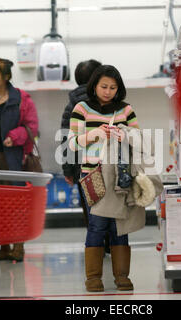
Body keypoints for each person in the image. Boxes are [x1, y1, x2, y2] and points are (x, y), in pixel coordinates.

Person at [69, 65, 139, 292]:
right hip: (92, 174)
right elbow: (72, 143)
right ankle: (93, 277)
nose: (108, 91)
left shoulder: (126, 110)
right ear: (94, 86)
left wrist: (125, 135)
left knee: (120, 225)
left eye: (113, 87)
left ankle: (122, 276)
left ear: (119, 88)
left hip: (121, 175)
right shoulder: (82, 108)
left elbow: (139, 141)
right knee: (97, 225)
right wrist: (93, 134)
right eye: (104, 86)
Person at [0, 58, 39, 262]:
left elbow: (32, 128)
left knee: (15, 203)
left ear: (6, 76)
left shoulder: (21, 99)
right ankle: (3, 247)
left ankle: (18, 245)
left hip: (12, 158)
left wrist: (15, 137)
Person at [60, 59, 113, 254]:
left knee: (91, 212)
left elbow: (66, 141)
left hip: (84, 170)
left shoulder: (72, 106)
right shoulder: (109, 102)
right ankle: (112, 245)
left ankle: (96, 250)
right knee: (111, 207)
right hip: (109, 165)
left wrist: (68, 170)